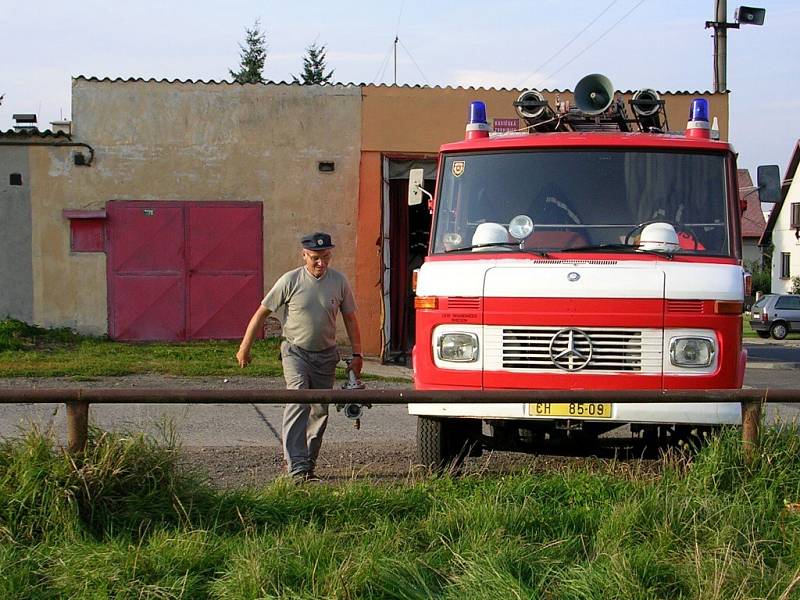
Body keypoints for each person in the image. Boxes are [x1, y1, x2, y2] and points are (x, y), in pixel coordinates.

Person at [236, 232, 363, 482]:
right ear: (304, 255)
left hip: (326, 356)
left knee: (319, 410)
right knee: (298, 398)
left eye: (325, 257)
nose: (321, 263)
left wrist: (357, 354)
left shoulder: (339, 282)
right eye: (315, 258)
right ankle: (295, 467)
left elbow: (350, 319)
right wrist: (245, 347)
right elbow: (261, 313)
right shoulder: (290, 280)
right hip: (295, 352)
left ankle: (307, 465)